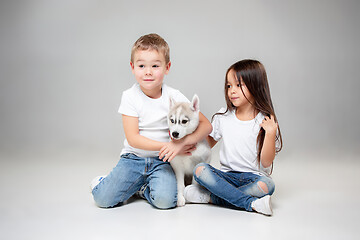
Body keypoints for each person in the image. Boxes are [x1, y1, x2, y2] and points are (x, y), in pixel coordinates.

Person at [91, 33, 212, 209]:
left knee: (166, 202)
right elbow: (134, 139)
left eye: (155, 65)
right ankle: (105, 182)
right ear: (132, 67)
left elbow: (206, 125)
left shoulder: (174, 96)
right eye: (141, 66)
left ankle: (140, 188)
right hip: (133, 159)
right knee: (103, 199)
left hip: (162, 162)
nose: (148, 71)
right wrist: (168, 146)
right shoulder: (130, 96)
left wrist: (180, 144)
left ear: (167, 67)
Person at [184, 59, 283, 216]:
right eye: (229, 86)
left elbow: (266, 161)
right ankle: (251, 203)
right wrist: (189, 134)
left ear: (255, 85)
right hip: (226, 176)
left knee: (267, 186)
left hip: (253, 178)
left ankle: (212, 197)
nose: (232, 91)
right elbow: (206, 144)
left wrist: (270, 133)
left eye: (238, 85)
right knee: (200, 169)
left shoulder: (264, 121)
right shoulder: (224, 116)